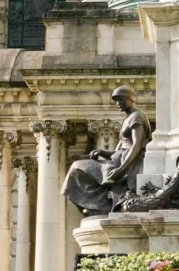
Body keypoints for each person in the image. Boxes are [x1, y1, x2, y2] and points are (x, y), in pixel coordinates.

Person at [61, 86, 151, 215]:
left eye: (121, 99)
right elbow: (121, 149)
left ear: (130, 99)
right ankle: (97, 206)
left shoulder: (137, 117)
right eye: (116, 100)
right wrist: (103, 153)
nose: (118, 103)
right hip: (118, 159)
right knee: (76, 169)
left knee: (78, 168)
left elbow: (137, 145)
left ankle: (100, 205)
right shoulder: (128, 118)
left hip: (127, 164)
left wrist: (121, 170)